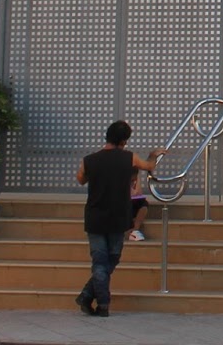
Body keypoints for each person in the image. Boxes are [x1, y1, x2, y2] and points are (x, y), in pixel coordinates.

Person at [75, 121, 163, 317]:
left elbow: (81, 179)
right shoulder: (129, 158)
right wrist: (153, 154)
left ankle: (89, 296)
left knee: (100, 261)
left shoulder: (89, 160)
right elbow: (149, 166)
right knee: (111, 259)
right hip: (118, 217)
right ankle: (102, 303)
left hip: (95, 217)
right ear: (124, 140)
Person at [128, 170, 149, 242]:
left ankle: (135, 230)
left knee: (143, 203)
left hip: (132, 200)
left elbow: (138, 192)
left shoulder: (135, 176)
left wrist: (137, 179)